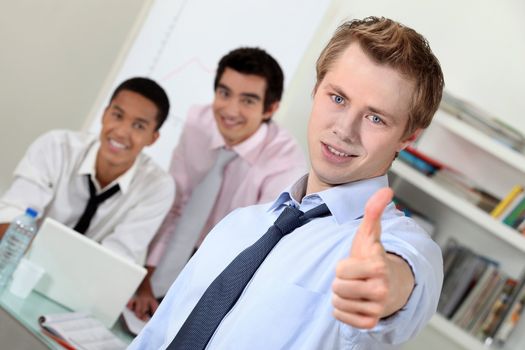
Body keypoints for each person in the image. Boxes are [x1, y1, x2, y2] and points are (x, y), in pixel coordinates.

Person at [129, 16, 445, 349]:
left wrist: (383, 286)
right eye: (338, 98)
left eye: (375, 118)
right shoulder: (238, 226)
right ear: (316, 90)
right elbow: (155, 338)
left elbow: (405, 279)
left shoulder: (400, 247)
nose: (345, 129)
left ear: (408, 136)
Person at [127, 47, 306, 319]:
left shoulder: (285, 163)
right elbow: (175, 204)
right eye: (224, 93)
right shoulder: (199, 123)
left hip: (228, 272)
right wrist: (145, 281)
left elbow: (257, 248)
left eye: (247, 100)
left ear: (270, 109)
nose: (230, 110)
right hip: (176, 254)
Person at [0, 77, 174, 264]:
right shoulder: (55, 147)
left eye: (139, 126)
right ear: (104, 114)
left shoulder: (156, 187)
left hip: (79, 287)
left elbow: (117, 259)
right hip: (18, 264)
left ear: (153, 138)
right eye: (117, 115)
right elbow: (12, 220)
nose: (122, 132)